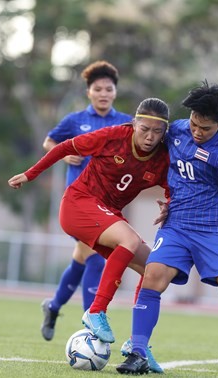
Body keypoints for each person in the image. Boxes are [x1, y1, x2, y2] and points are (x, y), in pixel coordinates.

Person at [116, 81, 218, 377]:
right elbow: (144, 135)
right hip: (177, 225)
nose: (196, 131)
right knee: (153, 276)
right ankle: (138, 352)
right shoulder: (177, 130)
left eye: (204, 128)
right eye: (194, 123)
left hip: (215, 230)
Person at [9, 97, 170, 373]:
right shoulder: (113, 136)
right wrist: (30, 174)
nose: (150, 136)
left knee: (154, 270)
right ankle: (96, 311)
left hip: (108, 215)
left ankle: (138, 346)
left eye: (157, 131)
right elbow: (64, 147)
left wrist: (169, 202)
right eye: (144, 129)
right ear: (134, 123)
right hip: (78, 204)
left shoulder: (162, 158)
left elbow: (172, 187)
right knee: (129, 240)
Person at [39, 60, 131, 342]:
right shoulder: (74, 120)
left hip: (109, 202)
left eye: (108, 89)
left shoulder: (125, 122)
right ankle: (92, 321)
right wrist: (64, 154)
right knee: (95, 261)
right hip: (79, 201)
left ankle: (53, 307)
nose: (103, 93)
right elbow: (49, 143)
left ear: (115, 92)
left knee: (81, 259)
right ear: (89, 92)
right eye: (98, 89)